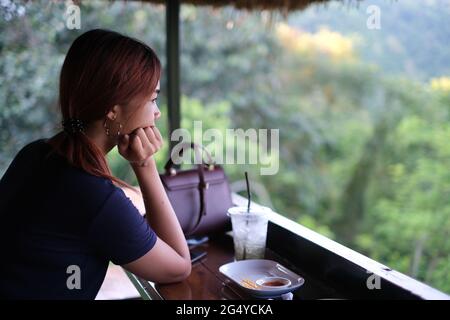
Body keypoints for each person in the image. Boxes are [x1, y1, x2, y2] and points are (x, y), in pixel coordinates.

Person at [0, 29, 191, 299]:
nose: (157, 112)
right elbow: (179, 266)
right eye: (152, 98)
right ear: (113, 109)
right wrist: (145, 165)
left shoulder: (36, 153)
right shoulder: (94, 195)